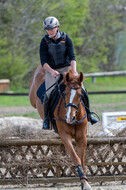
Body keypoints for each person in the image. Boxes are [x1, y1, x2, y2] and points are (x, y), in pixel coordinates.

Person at [39, 16, 99, 130]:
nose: (50, 31)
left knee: (83, 90)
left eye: (52, 28)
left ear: (57, 27)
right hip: (52, 70)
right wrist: (51, 71)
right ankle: (47, 119)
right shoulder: (44, 42)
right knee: (48, 93)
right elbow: (43, 62)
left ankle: (89, 114)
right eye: (48, 29)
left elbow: (72, 57)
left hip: (67, 68)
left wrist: (74, 70)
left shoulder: (66, 38)